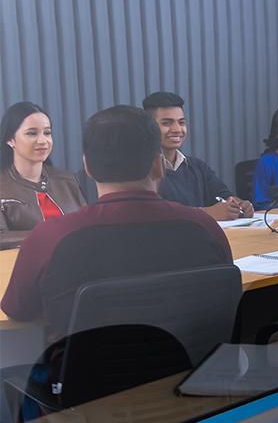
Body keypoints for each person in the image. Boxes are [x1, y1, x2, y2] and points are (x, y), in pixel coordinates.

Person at [1, 105, 233, 340]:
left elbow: (18, 310)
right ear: (159, 165)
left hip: (90, 373)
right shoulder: (205, 226)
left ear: (88, 168)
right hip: (195, 370)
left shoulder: (49, 237)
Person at [142, 91, 254, 220]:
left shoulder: (197, 166)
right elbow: (154, 213)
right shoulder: (142, 171)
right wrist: (206, 213)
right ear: (150, 127)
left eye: (181, 122)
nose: (177, 129)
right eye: (167, 123)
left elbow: (224, 196)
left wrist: (239, 205)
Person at [0, 102, 86, 249]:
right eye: (32, 133)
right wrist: (48, 234)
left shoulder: (67, 179)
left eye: (47, 132)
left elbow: (87, 223)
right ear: (10, 140)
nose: (43, 141)